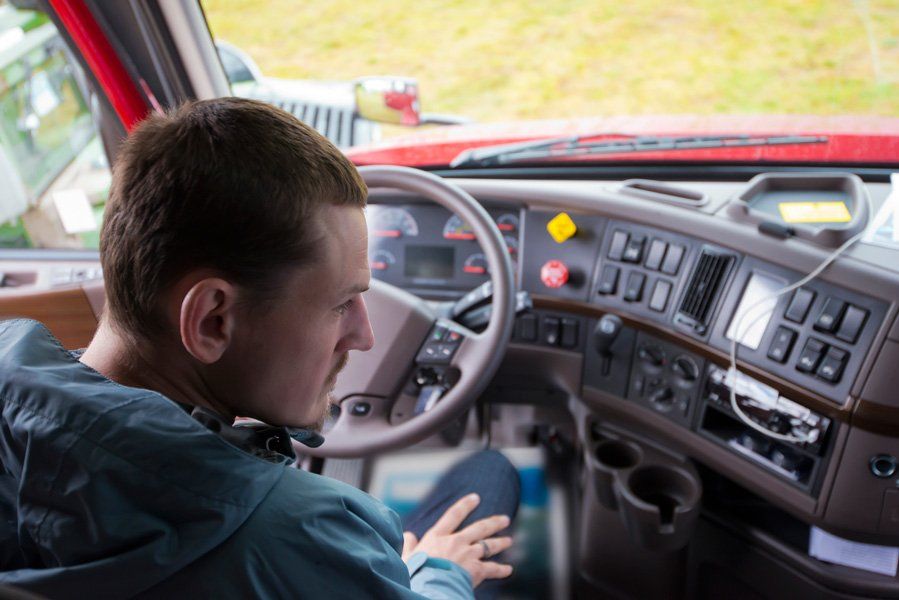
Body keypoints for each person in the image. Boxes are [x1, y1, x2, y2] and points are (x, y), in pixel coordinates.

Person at [0, 98, 519, 598]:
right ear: (212, 320)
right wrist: (436, 570)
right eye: (341, 305)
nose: (365, 335)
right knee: (490, 476)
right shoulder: (294, 533)